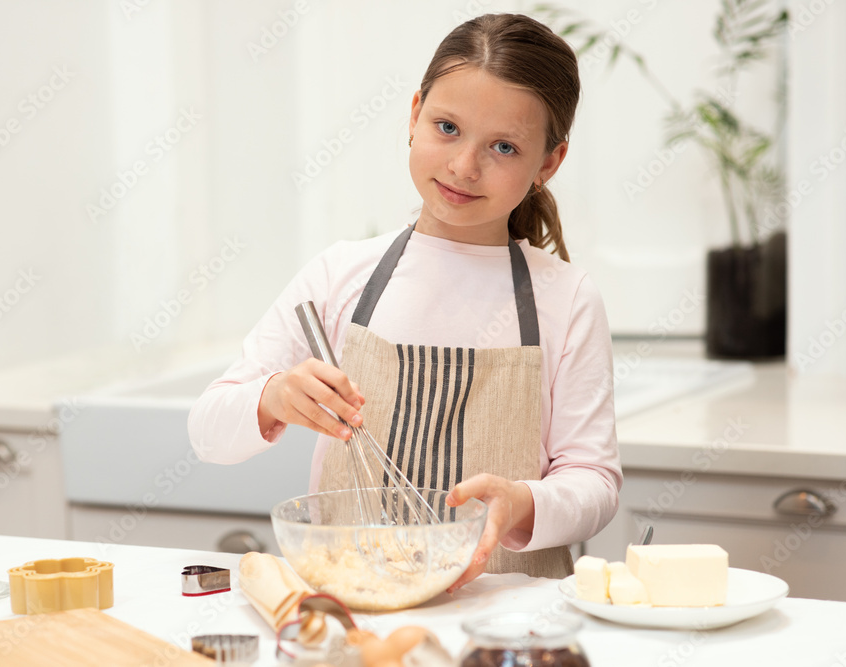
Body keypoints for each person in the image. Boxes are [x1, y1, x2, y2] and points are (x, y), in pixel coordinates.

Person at [188, 12, 621, 590]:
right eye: (447, 127)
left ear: (548, 162)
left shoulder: (566, 300)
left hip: (508, 622)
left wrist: (523, 502)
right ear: (415, 115)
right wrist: (273, 398)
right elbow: (207, 433)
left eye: (504, 146)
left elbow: (595, 483)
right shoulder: (340, 274)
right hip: (354, 610)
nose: (465, 166)